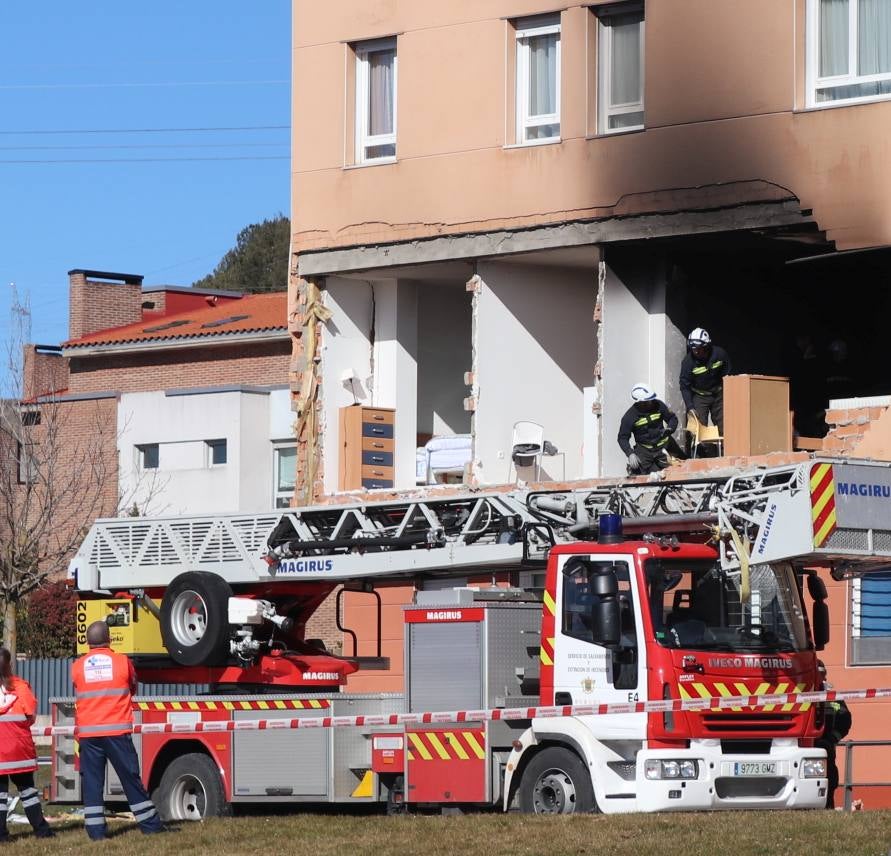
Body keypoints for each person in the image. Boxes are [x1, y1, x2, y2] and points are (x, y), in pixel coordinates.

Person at [72, 621, 164, 840]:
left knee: (92, 783)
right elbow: (133, 686)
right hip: (116, 731)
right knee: (130, 778)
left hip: (88, 733)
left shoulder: (77, 666)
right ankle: (150, 827)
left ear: (88, 642)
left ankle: (96, 833)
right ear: (110, 639)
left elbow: (79, 687)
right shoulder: (122, 661)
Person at [0, 647, 54, 843]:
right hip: (18, 750)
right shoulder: (21, 687)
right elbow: (30, 716)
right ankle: (41, 830)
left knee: (0, 794)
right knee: (28, 791)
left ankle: (1, 835)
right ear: (10, 665)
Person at [618, 383, 685, 474]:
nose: (651, 402)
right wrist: (630, 453)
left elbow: (672, 418)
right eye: (648, 401)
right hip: (644, 451)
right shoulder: (629, 416)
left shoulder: (659, 405)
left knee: (683, 467)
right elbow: (622, 438)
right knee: (640, 475)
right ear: (640, 402)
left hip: (665, 446)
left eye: (651, 399)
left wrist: (670, 428)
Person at [680, 328, 731, 434]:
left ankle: (724, 449)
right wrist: (690, 406)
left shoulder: (720, 354)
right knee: (699, 428)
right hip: (700, 396)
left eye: (699, 348)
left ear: (706, 346)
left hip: (718, 395)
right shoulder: (688, 362)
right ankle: (701, 450)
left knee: (725, 425)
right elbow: (684, 386)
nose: (696, 352)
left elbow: (727, 372)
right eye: (693, 349)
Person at [815, 662, 852, 810]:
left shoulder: (833, 697)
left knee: (829, 778)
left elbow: (845, 720)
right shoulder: (798, 693)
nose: (819, 676)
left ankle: (828, 807)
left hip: (826, 745)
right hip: (804, 744)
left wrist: (832, 739)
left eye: (821, 673)